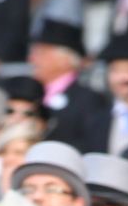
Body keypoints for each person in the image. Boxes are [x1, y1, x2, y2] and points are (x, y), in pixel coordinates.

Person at [29, 20, 111, 154]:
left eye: (41, 53)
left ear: (64, 60)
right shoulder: (31, 92)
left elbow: (91, 145)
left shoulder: (88, 99)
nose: (32, 58)